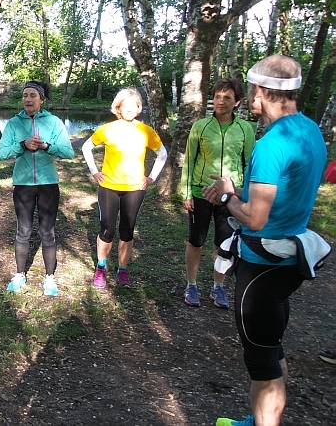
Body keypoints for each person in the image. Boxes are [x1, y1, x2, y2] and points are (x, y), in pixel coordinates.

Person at [203, 55, 328, 426]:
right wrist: (239, 190)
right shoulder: (309, 130)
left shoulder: (271, 143)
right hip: (289, 258)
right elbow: (283, 194)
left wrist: (227, 196)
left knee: (261, 361)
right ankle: (260, 420)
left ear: (259, 91)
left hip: (262, 263)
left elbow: (255, 217)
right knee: (271, 346)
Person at [179, 79, 255, 308]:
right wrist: (186, 193)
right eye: (218, 97)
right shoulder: (200, 126)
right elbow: (189, 160)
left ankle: (217, 287)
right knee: (196, 241)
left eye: (227, 98)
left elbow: (250, 164)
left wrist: (245, 193)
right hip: (201, 192)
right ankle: (191, 285)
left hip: (229, 195)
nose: (220, 102)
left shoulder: (245, 129)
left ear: (237, 102)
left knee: (223, 244)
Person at [81, 87, 167, 288]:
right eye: (125, 105)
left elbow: (162, 153)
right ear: (118, 108)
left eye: (134, 105)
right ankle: (101, 267)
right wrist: (94, 172)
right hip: (109, 186)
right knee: (107, 230)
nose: (130, 109)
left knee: (127, 230)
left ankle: (123, 270)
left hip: (135, 188)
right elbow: (86, 147)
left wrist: (152, 177)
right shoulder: (108, 129)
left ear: (139, 109)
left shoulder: (146, 131)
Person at [0, 81, 74, 296]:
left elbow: (68, 153)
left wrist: (46, 146)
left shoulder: (54, 122)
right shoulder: (13, 124)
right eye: (25, 96)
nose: (28, 99)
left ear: (41, 99)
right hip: (23, 185)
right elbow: (1, 153)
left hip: (48, 184)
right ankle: (20, 275)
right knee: (23, 231)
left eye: (32, 96)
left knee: (47, 232)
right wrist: (22, 145)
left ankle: (49, 278)